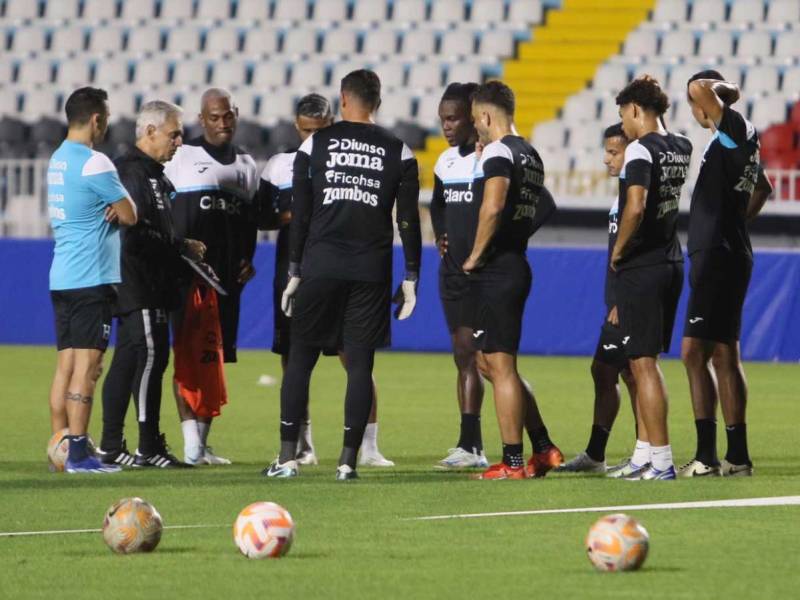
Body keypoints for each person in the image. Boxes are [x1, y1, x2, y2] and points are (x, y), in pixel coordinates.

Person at [263, 69, 421, 480]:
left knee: (301, 359)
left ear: (343, 100)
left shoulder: (316, 142)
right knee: (360, 366)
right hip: (370, 270)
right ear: (378, 102)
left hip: (320, 265)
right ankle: (348, 462)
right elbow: (408, 221)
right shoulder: (400, 151)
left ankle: (286, 459)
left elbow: (302, 214)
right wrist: (411, 278)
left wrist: (294, 270)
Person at [462, 81, 562, 480]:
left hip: (498, 268)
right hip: (514, 262)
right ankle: (543, 446)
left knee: (500, 366)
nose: (476, 129)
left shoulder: (500, 152)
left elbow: (493, 206)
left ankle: (513, 463)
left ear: (486, 116)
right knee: (489, 362)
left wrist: (477, 253)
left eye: (476, 121)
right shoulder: (530, 153)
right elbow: (542, 205)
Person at [98, 100, 205, 469]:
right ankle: (148, 446)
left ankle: (112, 445)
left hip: (149, 280)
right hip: (137, 279)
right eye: (174, 134)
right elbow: (136, 230)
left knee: (129, 361)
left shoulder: (153, 174)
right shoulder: (131, 171)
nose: (179, 142)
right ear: (149, 131)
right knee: (150, 359)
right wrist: (180, 247)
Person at [679, 71, 773, 478]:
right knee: (723, 354)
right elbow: (763, 188)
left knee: (693, 353)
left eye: (694, 103)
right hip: (726, 252)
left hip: (717, 257)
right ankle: (737, 457)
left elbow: (702, 88)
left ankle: (706, 456)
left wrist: (720, 92)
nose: (694, 109)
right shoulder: (731, 140)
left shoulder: (734, 126)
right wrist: (735, 223)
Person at [165, 88, 259, 465]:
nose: (222, 124)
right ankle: (190, 444)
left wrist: (247, 259)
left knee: (213, 358)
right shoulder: (181, 157)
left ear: (236, 115)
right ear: (201, 120)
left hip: (227, 281)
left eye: (228, 116)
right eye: (214, 117)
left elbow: (249, 222)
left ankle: (200, 445)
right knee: (187, 356)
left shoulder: (247, 165)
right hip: (186, 276)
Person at [47, 86, 137, 473]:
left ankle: (60, 446)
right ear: (97, 119)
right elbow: (131, 214)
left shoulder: (57, 159)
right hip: (91, 277)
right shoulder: (94, 162)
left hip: (63, 276)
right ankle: (80, 455)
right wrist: (117, 209)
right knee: (89, 368)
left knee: (66, 366)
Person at [610, 76, 693, 481]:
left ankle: (661, 461)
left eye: (624, 115)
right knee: (644, 361)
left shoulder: (639, 149)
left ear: (637, 111)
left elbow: (636, 206)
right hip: (672, 259)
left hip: (642, 264)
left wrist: (619, 249)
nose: (623, 126)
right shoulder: (682, 145)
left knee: (643, 365)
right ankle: (645, 455)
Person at [558, 123, 643, 475]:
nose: (606, 159)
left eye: (613, 152)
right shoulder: (622, 194)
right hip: (617, 300)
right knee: (609, 370)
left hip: (628, 301)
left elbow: (640, 250)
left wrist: (624, 301)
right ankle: (597, 454)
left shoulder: (636, 196)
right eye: (606, 151)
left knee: (637, 373)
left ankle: (647, 453)